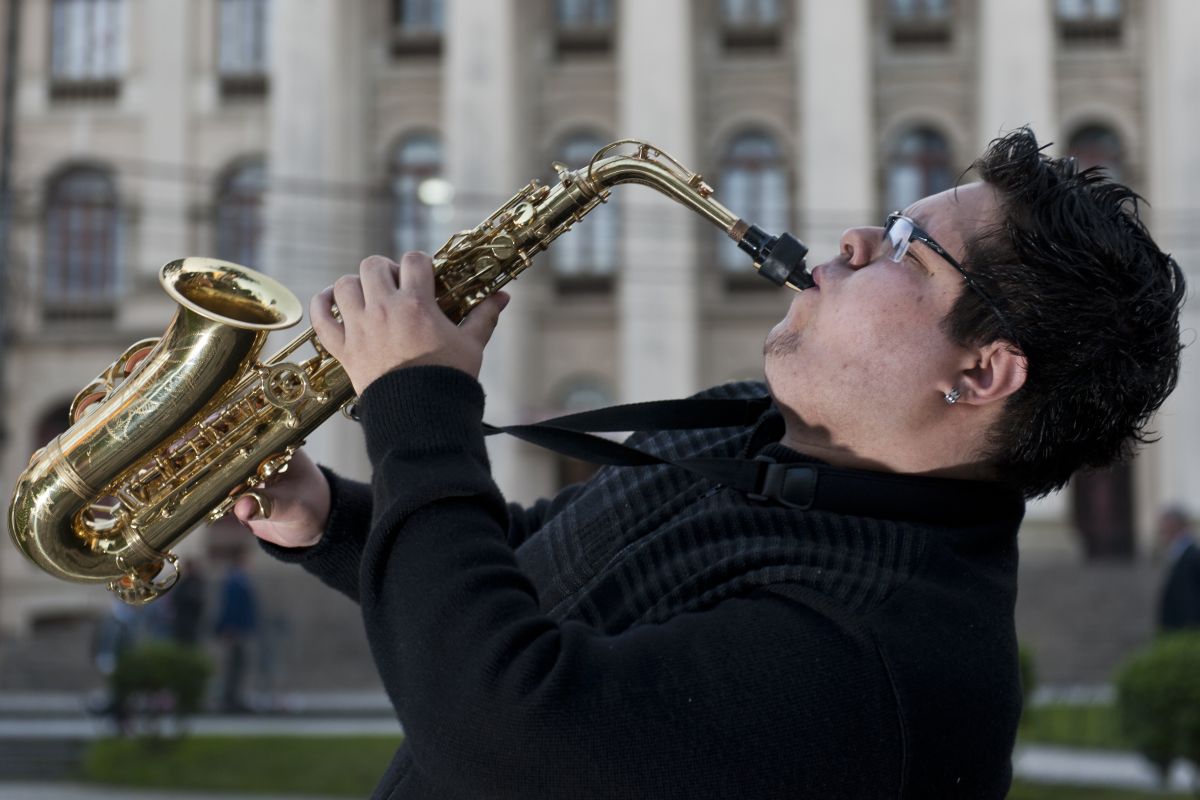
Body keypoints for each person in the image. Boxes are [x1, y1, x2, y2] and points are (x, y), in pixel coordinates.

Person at [233, 128, 1184, 799]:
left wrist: (417, 401)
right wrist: (327, 518)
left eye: (910, 248)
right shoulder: (751, 429)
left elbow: (503, 726)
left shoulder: (879, 659)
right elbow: (541, 574)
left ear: (981, 372)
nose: (852, 241)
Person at [212, 545, 259, 713]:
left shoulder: (241, 580)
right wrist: (229, 627)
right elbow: (230, 606)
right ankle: (229, 700)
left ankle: (235, 698)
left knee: (239, 666)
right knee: (233, 665)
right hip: (235, 630)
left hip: (242, 628)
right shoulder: (234, 581)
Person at [1156, 506, 1200, 631]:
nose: (1161, 531)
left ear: (1175, 526)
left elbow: (1190, 596)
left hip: (1187, 629)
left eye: (1164, 526)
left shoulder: (1192, 555)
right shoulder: (1177, 552)